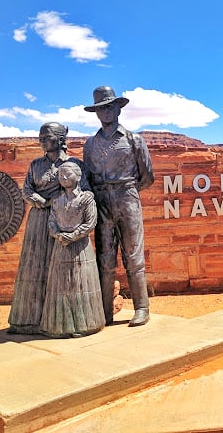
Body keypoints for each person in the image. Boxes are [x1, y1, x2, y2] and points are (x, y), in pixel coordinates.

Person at [83, 86, 155, 327]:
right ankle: (105, 312)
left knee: (133, 256)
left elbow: (147, 177)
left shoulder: (134, 140)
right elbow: (88, 178)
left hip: (127, 199)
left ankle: (142, 308)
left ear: (118, 109)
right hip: (101, 202)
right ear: (96, 112)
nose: (106, 111)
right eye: (101, 108)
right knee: (104, 259)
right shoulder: (90, 144)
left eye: (110, 106)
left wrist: (127, 192)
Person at [8, 122, 85, 334]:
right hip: (38, 221)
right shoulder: (35, 165)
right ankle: (28, 320)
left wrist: (60, 203)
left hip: (63, 219)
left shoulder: (73, 164)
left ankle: (61, 322)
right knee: (34, 266)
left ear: (61, 139)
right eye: (40, 137)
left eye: (47, 137)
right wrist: (42, 202)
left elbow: (84, 191)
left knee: (60, 269)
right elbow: (27, 190)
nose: (42, 140)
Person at [40, 161, 105, 338]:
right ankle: (60, 326)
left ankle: (87, 324)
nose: (64, 177)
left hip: (80, 247)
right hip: (60, 247)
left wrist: (74, 235)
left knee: (81, 283)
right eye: (61, 175)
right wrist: (58, 234)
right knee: (60, 286)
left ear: (78, 176)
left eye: (68, 174)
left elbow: (91, 222)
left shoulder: (86, 199)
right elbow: (51, 222)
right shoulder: (57, 201)